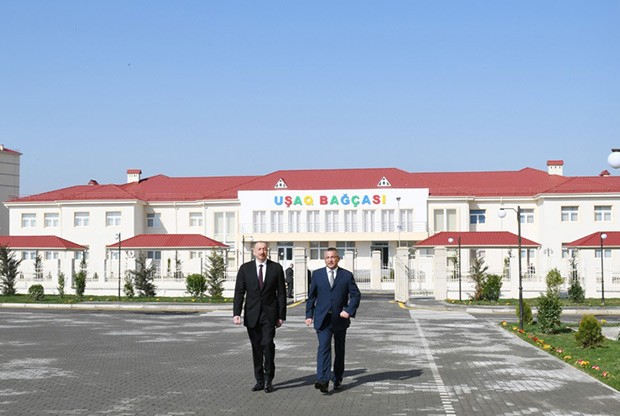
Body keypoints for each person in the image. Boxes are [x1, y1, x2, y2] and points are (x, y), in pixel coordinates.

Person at [305, 247, 361, 393]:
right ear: (325, 259)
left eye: (333, 257)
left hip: (340, 319)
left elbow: (356, 295)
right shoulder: (317, 275)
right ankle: (322, 380)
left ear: (338, 258)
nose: (330, 260)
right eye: (328, 257)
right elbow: (311, 297)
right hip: (323, 319)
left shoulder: (346, 275)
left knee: (339, 350)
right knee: (323, 348)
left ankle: (337, 378)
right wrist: (309, 315)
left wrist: (348, 310)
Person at [233, 241, 287, 393]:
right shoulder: (245, 269)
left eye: (264, 249)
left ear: (267, 251)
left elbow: (281, 293)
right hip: (252, 315)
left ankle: (269, 379)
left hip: (269, 315)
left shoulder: (276, 268)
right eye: (259, 249)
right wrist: (236, 313)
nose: (262, 251)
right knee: (256, 348)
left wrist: (281, 316)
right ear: (254, 251)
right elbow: (239, 292)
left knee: (268, 345)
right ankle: (259, 380)